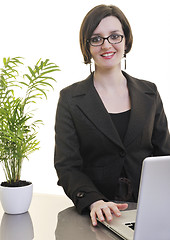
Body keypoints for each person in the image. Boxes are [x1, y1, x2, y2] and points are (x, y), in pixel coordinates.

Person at [54, 4, 170, 227]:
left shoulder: (149, 93)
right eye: (96, 39)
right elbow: (67, 166)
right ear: (87, 46)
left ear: (126, 41)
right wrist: (94, 201)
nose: (107, 45)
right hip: (95, 216)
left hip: (147, 214)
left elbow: (164, 155)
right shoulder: (70, 99)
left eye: (114, 36)